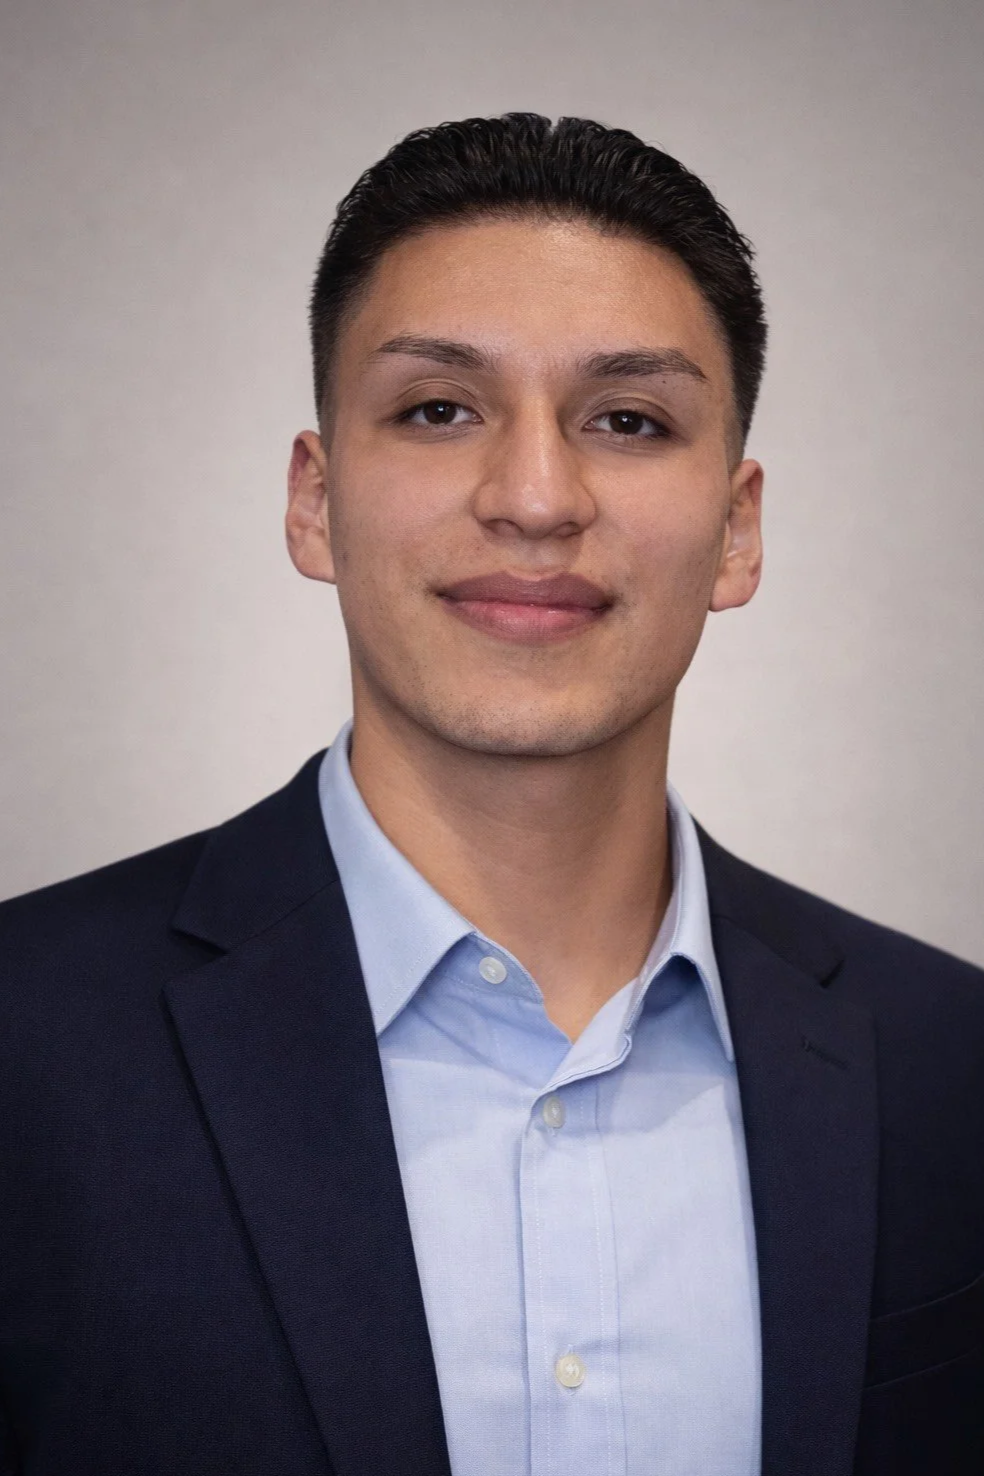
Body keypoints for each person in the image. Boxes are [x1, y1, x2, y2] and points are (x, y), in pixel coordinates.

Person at [1, 113, 981, 1476]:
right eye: (439, 409)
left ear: (738, 529)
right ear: (315, 501)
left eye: (628, 420)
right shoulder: (26, 1041)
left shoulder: (954, 1064)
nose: (534, 496)